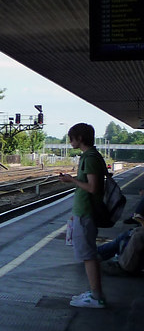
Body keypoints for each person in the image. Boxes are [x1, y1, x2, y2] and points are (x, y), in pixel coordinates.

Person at [58, 123, 108, 308]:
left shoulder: (90, 158)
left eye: (72, 138)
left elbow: (93, 187)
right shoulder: (89, 156)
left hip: (86, 212)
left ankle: (96, 297)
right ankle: (94, 293)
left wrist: (72, 179)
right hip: (83, 212)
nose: (70, 141)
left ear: (80, 138)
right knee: (87, 254)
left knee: (88, 255)